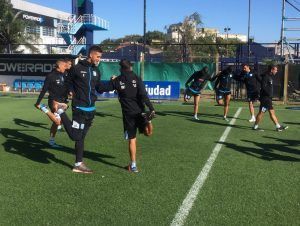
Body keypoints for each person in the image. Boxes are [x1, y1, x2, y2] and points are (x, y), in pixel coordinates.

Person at [56, 45, 108, 174]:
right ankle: (60, 112)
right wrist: (70, 91)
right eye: (98, 56)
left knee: (81, 138)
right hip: (79, 108)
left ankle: (78, 164)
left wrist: (115, 83)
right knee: (75, 136)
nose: (99, 59)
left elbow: (100, 88)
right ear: (91, 55)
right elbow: (67, 81)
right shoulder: (77, 68)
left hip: (91, 110)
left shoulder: (96, 70)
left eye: (100, 57)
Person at [104, 59, 155, 173]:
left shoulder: (117, 80)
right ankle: (149, 121)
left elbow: (101, 88)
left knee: (132, 140)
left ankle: (133, 165)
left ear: (121, 68)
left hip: (128, 115)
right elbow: (143, 94)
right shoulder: (137, 77)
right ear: (131, 67)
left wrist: (111, 81)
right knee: (148, 133)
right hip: (140, 112)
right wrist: (151, 108)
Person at [35, 59, 69, 148]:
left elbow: (66, 87)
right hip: (53, 101)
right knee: (57, 122)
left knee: (57, 123)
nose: (66, 68)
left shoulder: (65, 74)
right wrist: (38, 102)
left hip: (63, 101)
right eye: (65, 66)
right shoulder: (51, 76)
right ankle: (43, 108)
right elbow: (44, 90)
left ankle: (51, 141)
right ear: (59, 66)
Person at [253, 65, 288, 132]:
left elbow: (265, 85)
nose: (276, 71)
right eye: (276, 70)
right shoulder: (266, 76)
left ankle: (278, 126)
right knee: (261, 113)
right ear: (272, 69)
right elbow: (263, 87)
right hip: (265, 99)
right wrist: (269, 94)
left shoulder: (269, 76)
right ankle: (255, 126)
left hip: (268, 99)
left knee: (272, 112)